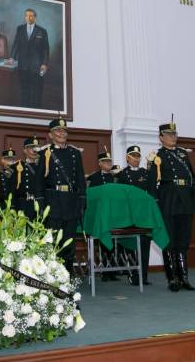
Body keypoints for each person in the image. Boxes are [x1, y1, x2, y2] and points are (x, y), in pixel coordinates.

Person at [148, 122, 195, 292]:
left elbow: (192, 175)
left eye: (174, 134)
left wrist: (194, 191)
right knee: (169, 241)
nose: (173, 137)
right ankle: (172, 279)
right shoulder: (157, 156)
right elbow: (152, 183)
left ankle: (184, 278)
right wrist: (156, 204)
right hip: (168, 201)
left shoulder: (183, 154)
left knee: (183, 240)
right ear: (161, 137)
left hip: (185, 200)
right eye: (169, 134)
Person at [34, 117, 85, 276]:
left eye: (64, 131)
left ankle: (67, 277)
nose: (62, 133)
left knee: (69, 242)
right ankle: (54, 277)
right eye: (58, 131)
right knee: (54, 241)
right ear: (51, 135)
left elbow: (80, 178)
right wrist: (40, 201)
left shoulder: (75, 153)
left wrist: (82, 199)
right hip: (53, 201)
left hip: (71, 201)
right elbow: (39, 180)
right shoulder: (45, 153)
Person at [116, 145, 153, 286]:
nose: (136, 159)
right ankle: (133, 274)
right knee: (131, 245)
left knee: (144, 245)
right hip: (129, 215)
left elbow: (151, 192)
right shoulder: (122, 174)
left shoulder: (146, 173)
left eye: (138, 156)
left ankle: (143, 276)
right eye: (133, 156)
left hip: (143, 215)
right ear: (128, 158)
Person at [86, 149, 118, 281]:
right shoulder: (93, 178)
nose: (109, 163)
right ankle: (104, 271)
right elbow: (90, 197)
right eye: (105, 161)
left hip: (112, 214)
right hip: (99, 215)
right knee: (101, 243)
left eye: (110, 161)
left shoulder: (115, 177)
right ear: (100, 163)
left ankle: (112, 271)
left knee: (112, 242)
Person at [8, 8, 49, 108]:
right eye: (26, 15)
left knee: (36, 92)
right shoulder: (20, 29)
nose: (28, 18)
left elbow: (46, 49)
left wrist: (44, 64)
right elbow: (16, 44)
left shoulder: (42, 31)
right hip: (23, 65)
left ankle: (35, 110)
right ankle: (24, 110)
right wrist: (12, 57)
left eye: (31, 16)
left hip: (37, 66)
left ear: (35, 17)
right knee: (24, 90)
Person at [10, 136, 41, 219]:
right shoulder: (16, 167)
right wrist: (12, 207)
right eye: (31, 148)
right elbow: (12, 190)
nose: (34, 150)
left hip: (40, 205)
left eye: (36, 148)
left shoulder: (44, 166)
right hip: (23, 205)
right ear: (24, 150)